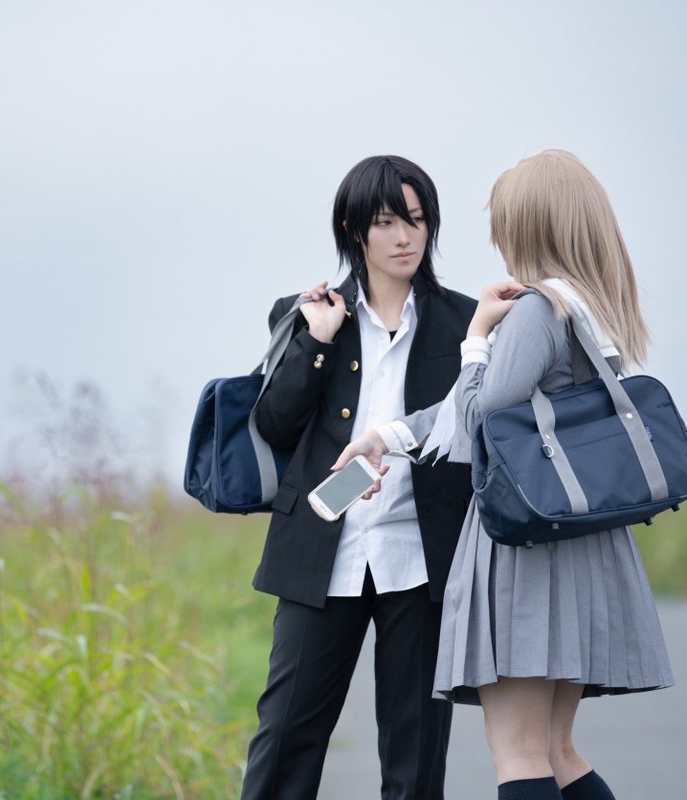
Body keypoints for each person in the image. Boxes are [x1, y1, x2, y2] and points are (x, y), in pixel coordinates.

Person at [336, 149, 674, 800]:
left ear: (529, 226)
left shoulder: (537, 312)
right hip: (582, 544)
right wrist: (389, 435)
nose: (498, 240)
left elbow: (478, 420)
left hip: (527, 550)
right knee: (558, 751)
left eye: (504, 224)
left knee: (519, 754)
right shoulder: (592, 309)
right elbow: (496, 405)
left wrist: (475, 338)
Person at [241, 155, 477, 800]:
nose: (405, 237)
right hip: (322, 550)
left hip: (422, 560)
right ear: (354, 229)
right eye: (387, 222)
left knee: (415, 755)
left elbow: (476, 428)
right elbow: (275, 425)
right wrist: (317, 342)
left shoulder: (464, 322)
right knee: (285, 737)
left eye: (417, 220)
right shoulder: (308, 312)